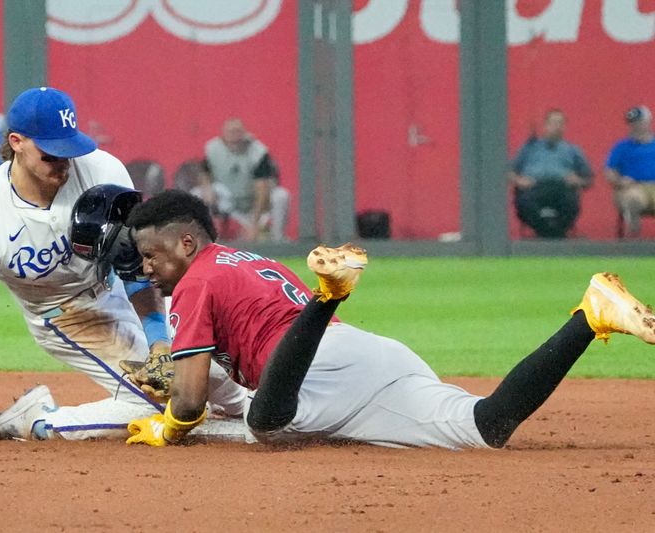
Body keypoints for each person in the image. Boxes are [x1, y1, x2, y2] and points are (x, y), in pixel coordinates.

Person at [119, 189, 655, 449]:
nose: (146, 268)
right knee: (488, 426)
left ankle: (328, 295)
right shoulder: (248, 259)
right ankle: (591, 316)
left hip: (312, 368)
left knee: (265, 422)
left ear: (187, 243)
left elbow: (188, 403)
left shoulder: (196, 280)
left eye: (151, 255)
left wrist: (169, 428)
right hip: (369, 356)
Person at [0, 87, 245, 448]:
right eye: (51, 154)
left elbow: (132, 262)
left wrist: (159, 341)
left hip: (117, 287)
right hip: (67, 314)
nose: (64, 162)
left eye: (69, 149)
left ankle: (246, 411)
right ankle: (38, 419)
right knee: (158, 405)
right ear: (16, 142)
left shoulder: (101, 169)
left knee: (207, 368)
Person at [509, 109, 593, 238]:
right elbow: (509, 171)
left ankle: (554, 233)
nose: (557, 127)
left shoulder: (572, 150)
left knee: (571, 203)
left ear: (565, 127)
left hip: (561, 187)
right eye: (553, 123)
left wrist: (578, 181)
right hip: (534, 187)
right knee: (525, 203)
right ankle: (547, 232)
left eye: (560, 123)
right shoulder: (530, 147)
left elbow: (589, 179)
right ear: (545, 126)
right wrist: (519, 180)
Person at [203, 118, 289, 241]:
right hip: (230, 202)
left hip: (257, 204)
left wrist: (254, 223)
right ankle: (207, 242)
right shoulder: (212, 148)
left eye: (237, 132)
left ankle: (278, 239)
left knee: (281, 195)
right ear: (223, 135)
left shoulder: (258, 152)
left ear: (244, 134)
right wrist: (207, 188)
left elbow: (262, 189)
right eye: (230, 132)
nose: (234, 137)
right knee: (197, 194)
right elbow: (204, 173)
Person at [606, 105, 655, 238]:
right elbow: (610, 172)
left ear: (648, 122)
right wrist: (620, 181)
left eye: (639, 123)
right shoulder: (621, 147)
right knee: (633, 200)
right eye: (632, 124)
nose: (635, 127)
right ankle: (634, 241)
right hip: (635, 187)